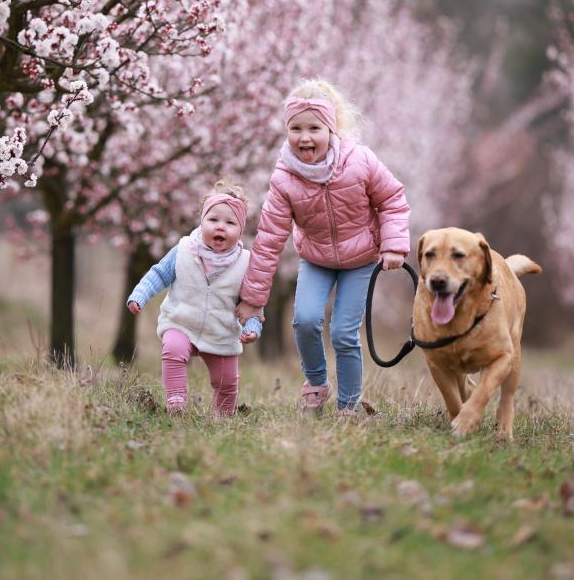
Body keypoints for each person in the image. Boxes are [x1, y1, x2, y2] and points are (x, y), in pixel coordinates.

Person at [237, 78, 411, 416]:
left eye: (314, 127)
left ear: (331, 128)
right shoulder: (284, 177)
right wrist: (252, 300)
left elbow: (392, 199)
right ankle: (315, 385)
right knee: (304, 320)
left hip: (360, 259)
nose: (305, 137)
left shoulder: (359, 160)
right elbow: (269, 239)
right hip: (316, 258)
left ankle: (349, 406)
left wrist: (393, 245)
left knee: (344, 332)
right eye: (296, 128)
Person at [127, 182, 262, 416]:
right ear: (202, 221)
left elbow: (253, 301)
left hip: (220, 332)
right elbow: (159, 274)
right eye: (213, 220)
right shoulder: (184, 250)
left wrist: (252, 327)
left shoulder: (245, 263)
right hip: (181, 321)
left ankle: (222, 416)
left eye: (230, 223)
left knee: (227, 382)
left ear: (240, 230)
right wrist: (139, 296)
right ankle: (176, 403)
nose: (221, 227)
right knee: (173, 348)